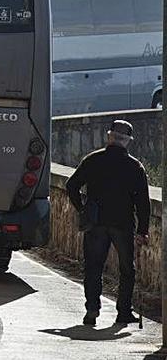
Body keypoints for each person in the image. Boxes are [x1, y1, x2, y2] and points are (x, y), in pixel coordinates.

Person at [65, 120, 151, 326]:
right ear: (128, 141)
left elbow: (71, 185)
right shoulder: (134, 166)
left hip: (96, 223)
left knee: (93, 267)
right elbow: (143, 203)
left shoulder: (93, 160)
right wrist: (143, 230)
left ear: (109, 136)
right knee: (127, 269)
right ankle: (123, 312)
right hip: (123, 224)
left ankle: (92, 310)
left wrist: (83, 208)